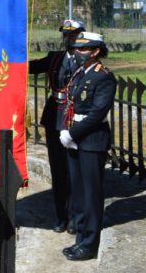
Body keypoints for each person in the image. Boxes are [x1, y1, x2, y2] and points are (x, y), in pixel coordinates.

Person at [59, 31, 116, 262]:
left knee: (92, 195)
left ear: (96, 51)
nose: (79, 52)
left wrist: (71, 133)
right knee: (79, 193)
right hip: (75, 139)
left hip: (91, 141)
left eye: (84, 49)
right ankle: (81, 238)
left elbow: (96, 114)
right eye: (77, 48)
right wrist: (69, 133)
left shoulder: (104, 77)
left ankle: (90, 244)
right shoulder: (81, 72)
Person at [29, 18, 85, 234]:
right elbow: (28, 68)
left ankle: (74, 216)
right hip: (54, 116)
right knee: (58, 170)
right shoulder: (55, 58)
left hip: (75, 117)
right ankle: (60, 216)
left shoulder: (86, 59)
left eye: (73, 34)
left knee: (74, 171)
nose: (69, 38)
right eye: (66, 35)